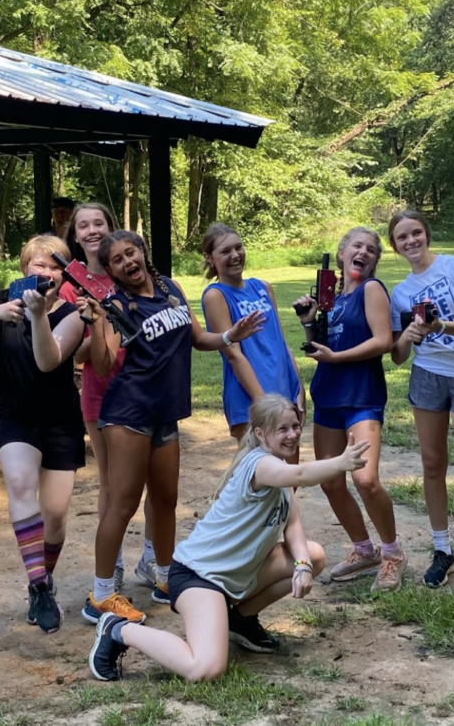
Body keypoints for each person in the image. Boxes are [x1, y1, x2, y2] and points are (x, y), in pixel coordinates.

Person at [89, 393, 369, 682]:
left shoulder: (278, 467)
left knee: (313, 555)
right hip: (199, 576)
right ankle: (118, 630)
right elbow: (300, 475)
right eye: (282, 429)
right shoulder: (261, 465)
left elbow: (293, 524)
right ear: (260, 434)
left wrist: (302, 566)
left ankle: (240, 619)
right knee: (205, 669)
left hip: (232, 576)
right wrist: (340, 463)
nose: (292, 435)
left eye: (295, 427)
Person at [79, 230, 264, 625]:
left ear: (143, 252)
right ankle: (101, 594)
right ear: (110, 270)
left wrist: (230, 334)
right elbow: (104, 363)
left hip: (165, 411)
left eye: (131, 253)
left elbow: (197, 337)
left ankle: (165, 577)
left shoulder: (170, 288)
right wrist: (96, 324)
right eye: (117, 260)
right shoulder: (115, 305)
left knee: (165, 499)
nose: (128, 262)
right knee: (123, 504)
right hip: (128, 414)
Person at [0, 235, 85, 632]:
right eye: (37, 265)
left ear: (64, 275)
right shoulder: (4, 299)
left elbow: (47, 362)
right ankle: (39, 587)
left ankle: (44, 575)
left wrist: (38, 316)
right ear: (24, 269)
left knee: (55, 515)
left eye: (54, 267)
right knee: (21, 486)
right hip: (14, 417)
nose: (44, 273)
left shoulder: (73, 314)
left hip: (59, 420)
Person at [388, 209, 454, 603]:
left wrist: (440, 326)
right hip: (427, 378)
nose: (411, 241)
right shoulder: (399, 293)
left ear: (427, 234)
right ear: (395, 246)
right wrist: (411, 336)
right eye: (402, 237)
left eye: (416, 233)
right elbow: (397, 355)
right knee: (433, 465)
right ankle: (442, 551)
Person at [294, 227, 408, 591]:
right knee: (330, 482)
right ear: (342, 253)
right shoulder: (331, 300)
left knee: (365, 479)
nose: (364, 253)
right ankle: (364, 550)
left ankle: (392, 554)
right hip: (328, 396)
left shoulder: (371, 290)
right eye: (357, 246)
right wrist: (309, 322)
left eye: (372, 250)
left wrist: (337, 357)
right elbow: (319, 348)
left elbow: (382, 341)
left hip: (361, 396)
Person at [60, 203, 157, 596]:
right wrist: (99, 329)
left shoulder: (127, 271)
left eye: (98, 222)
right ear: (75, 236)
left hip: (147, 389)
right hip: (102, 393)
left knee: (156, 480)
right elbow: (70, 350)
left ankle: (152, 559)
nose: (92, 230)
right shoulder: (68, 284)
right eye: (83, 225)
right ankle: (111, 565)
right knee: (111, 485)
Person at [201, 223, 305, 442]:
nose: (235, 255)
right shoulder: (216, 296)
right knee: (261, 472)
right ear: (209, 257)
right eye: (225, 251)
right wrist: (263, 405)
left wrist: (298, 388)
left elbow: (281, 341)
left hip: (284, 392)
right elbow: (233, 354)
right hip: (250, 398)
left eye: (238, 247)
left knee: (289, 472)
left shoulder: (263, 287)